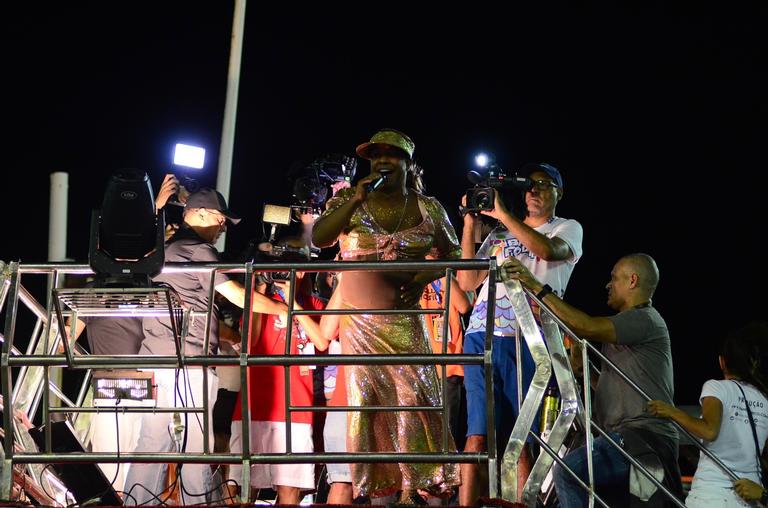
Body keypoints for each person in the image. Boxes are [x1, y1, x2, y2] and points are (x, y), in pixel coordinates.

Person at [312, 128, 461, 502]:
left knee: (414, 400)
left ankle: (417, 489)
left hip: (407, 323)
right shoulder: (351, 199)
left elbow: (455, 255)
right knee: (368, 404)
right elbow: (320, 238)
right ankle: (379, 490)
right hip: (360, 325)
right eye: (375, 155)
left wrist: (426, 274)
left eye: (392, 155)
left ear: (408, 164)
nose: (382, 161)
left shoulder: (430, 208)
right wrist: (353, 200)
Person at [123, 188, 288, 506]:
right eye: (220, 218)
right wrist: (284, 309)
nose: (223, 225)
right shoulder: (199, 250)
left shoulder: (163, 250)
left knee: (151, 443)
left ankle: (136, 504)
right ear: (197, 213)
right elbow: (238, 296)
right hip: (191, 363)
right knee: (196, 445)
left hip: (155, 359)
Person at [501, 253, 682, 507]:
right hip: (627, 436)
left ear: (632, 281)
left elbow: (585, 325)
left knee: (568, 472)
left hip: (641, 438)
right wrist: (583, 369)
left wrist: (537, 287)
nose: (608, 285)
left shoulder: (643, 320)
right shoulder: (629, 328)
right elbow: (614, 384)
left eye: (614, 278)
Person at [457, 162, 583, 504]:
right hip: (482, 334)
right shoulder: (498, 234)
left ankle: (520, 503)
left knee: (520, 434)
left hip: (530, 338)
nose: (535, 190)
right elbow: (467, 283)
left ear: (560, 192)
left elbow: (547, 251)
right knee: (477, 433)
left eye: (544, 185)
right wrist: (470, 225)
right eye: (530, 185)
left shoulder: (567, 228)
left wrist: (502, 215)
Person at [228, 250, 329, 505]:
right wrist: (260, 286)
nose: (283, 275)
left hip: (295, 407)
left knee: (290, 489)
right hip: (253, 405)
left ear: (302, 272)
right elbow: (249, 342)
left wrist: (291, 304)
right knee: (241, 487)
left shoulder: (313, 304)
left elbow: (321, 340)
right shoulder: (262, 301)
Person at [647, 321, 768, 507]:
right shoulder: (763, 397)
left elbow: (709, 430)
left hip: (712, 495)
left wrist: (672, 412)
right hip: (750, 497)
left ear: (722, 361)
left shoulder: (717, 387)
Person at [419, 255, 472, 452]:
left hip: (449, 367)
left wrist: (440, 269)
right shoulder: (412, 272)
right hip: (420, 368)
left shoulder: (450, 274)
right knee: (423, 434)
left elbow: (464, 305)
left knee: (446, 435)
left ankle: (447, 481)